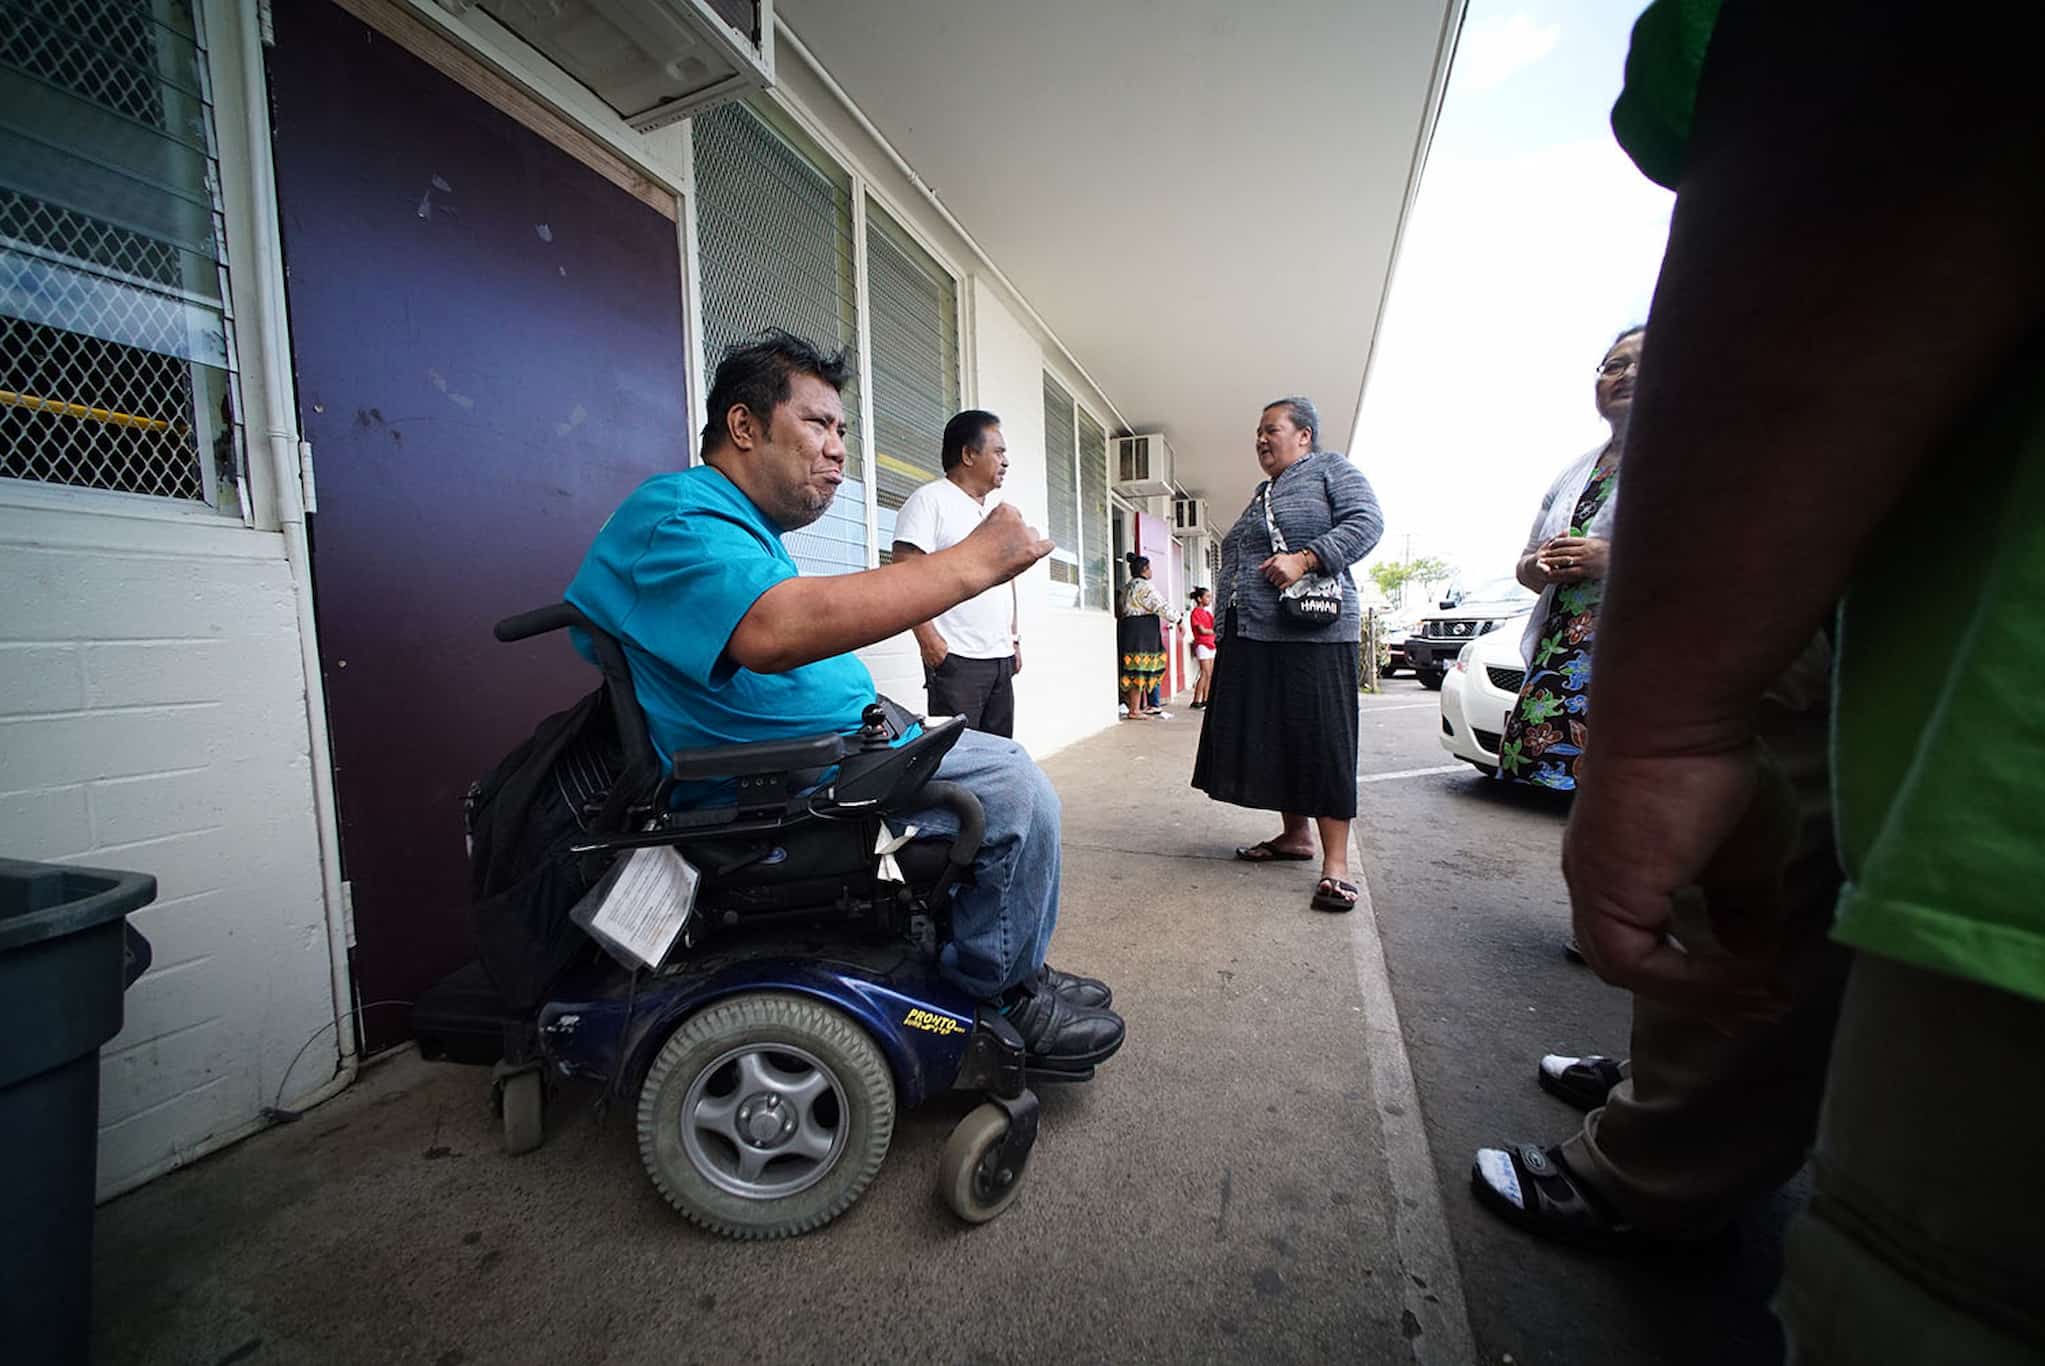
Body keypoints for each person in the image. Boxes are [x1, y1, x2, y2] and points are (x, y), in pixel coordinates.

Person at [1545, 3, 2044, 1360]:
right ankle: (1672, 1117)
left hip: (2003, 834)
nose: (1618, 377)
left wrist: (1660, 729)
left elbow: (1871, 129)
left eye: (1633, 363)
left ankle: (1662, 1161)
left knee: (1749, 904)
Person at [564, 331, 1123, 1067]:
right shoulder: (675, 514)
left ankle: (1008, 956)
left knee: (988, 763)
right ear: (744, 426)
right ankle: (1001, 990)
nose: (837, 451)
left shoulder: (736, 525)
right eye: (818, 425)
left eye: (842, 431)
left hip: (825, 756)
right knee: (1011, 787)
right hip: (773, 783)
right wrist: (975, 562)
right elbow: (772, 630)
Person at [1192, 396, 1384, 912]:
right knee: (1280, 737)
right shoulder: (1264, 493)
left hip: (1313, 634)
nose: (1260, 439)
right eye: (1257, 431)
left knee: (1323, 739)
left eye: (1270, 429)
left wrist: (1307, 557)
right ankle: (1295, 836)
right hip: (1256, 634)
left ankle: (1336, 865)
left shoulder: (1330, 470)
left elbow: (1367, 523)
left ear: (1304, 435)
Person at [1496, 326, 1643, 792]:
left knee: (1621, 815)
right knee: (1545, 805)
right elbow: (1524, 564)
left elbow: (1724, 563)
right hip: (1558, 674)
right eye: (1615, 365)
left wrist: (1614, 560)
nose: (1627, 374)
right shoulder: (1575, 471)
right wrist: (1538, 566)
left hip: (1639, 673)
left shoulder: (1698, 460)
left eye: (1644, 363)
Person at [891, 410, 1022, 737]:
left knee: (999, 755)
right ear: (967, 454)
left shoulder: (988, 513)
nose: (1005, 462)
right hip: (957, 658)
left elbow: (1007, 578)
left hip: (999, 657)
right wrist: (928, 639)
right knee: (961, 757)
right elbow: (905, 573)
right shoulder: (930, 501)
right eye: (998, 451)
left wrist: (1013, 639)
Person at [1116, 553, 1176, 719]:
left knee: (1132, 667)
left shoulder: (1127, 587)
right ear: (1144, 569)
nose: (1151, 571)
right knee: (1139, 667)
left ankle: (1133, 707)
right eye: (1149, 568)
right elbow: (1160, 606)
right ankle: (1134, 710)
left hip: (1129, 628)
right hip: (1142, 631)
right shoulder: (1145, 586)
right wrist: (1178, 619)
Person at [1186, 587, 1216, 710]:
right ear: (1199, 598)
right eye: (1207, 596)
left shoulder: (1208, 613)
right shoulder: (1196, 613)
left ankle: (1206, 699)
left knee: (1210, 674)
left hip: (1211, 644)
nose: (1209, 599)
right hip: (1202, 644)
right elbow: (1202, 630)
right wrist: (1213, 631)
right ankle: (1196, 700)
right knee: (1205, 672)